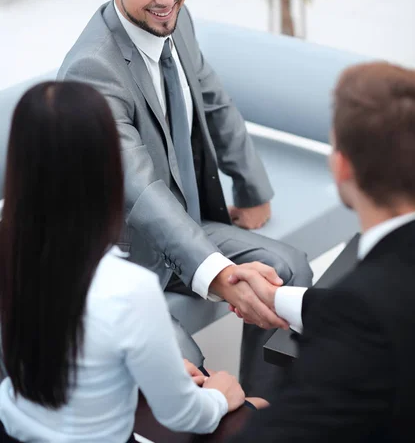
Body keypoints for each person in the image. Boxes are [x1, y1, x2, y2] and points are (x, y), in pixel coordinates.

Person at [57, 0, 312, 397]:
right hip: (129, 256)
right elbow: (141, 191)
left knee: (291, 270)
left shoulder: (177, 19)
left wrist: (252, 186)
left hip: (191, 221)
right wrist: (220, 274)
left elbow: (213, 100)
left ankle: (264, 412)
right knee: (188, 369)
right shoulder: (93, 70)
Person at [0, 81, 254, 443]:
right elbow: (183, 415)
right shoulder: (126, 288)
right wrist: (220, 393)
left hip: (12, 427)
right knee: (256, 406)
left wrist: (145, 369)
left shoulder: (14, 250)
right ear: (107, 167)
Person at [227, 62, 415, 442]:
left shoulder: (360, 321)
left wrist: (232, 404)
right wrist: (278, 299)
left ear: (342, 166)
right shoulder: (376, 295)